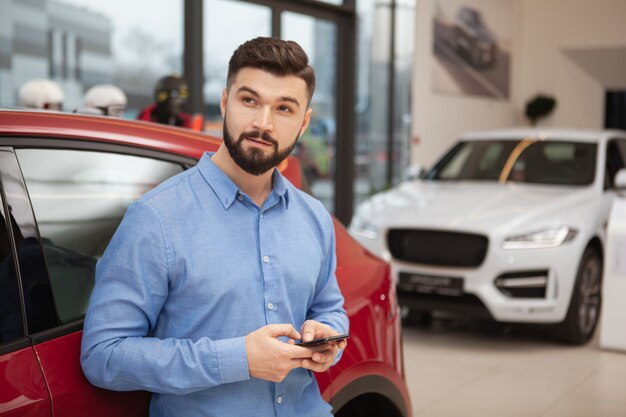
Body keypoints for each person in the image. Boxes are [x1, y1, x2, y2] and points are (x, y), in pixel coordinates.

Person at [80, 37, 349, 417]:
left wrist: (327, 335)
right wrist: (239, 358)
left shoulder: (314, 216)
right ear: (225, 103)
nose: (263, 123)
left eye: (284, 108)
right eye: (249, 100)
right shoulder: (156, 218)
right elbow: (103, 356)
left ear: (303, 123)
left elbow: (330, 309)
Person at [137, 74, 204, 130]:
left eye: (184, 95)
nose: (180, 100)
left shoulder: (187, 122)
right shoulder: (145, 119)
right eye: (176, 95)